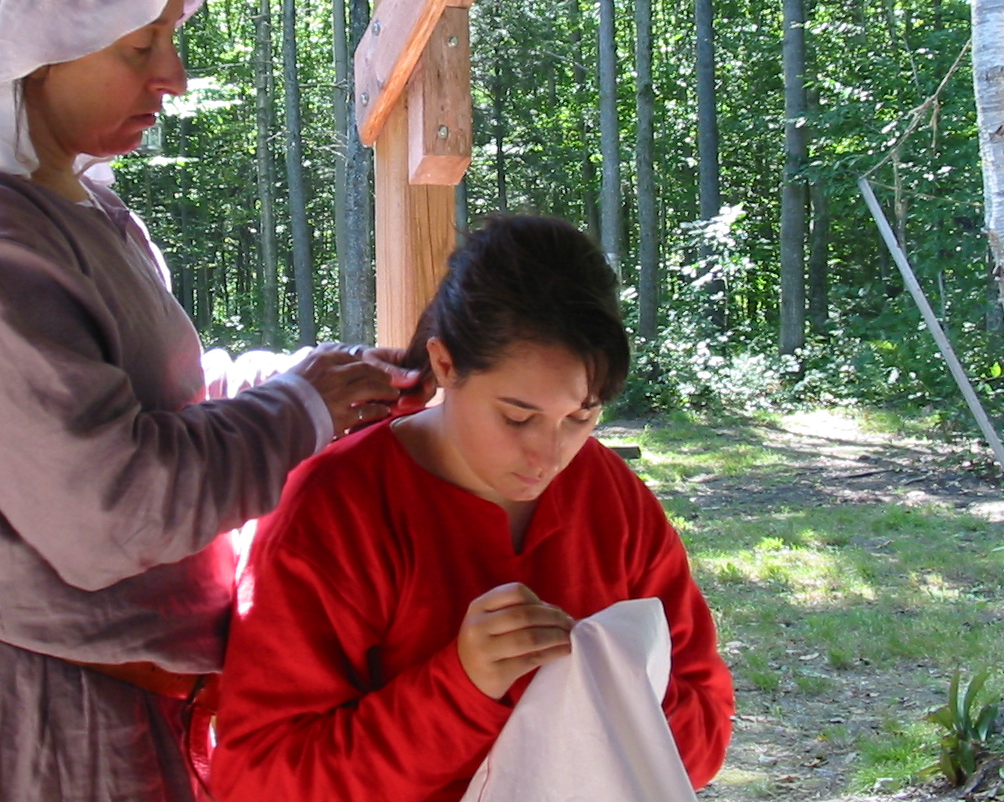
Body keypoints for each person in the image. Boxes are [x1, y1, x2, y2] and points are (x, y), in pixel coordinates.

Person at [0, 0, 415, 802]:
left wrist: (309, 379)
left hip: (117, 702)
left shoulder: (86, 206)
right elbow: (110, 508)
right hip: (24, 719)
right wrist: (302, 411)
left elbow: (161, 403)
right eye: (138, 49)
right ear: (36, 53)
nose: (173, 76)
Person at [210, 214, 735, 802]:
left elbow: (707, 734)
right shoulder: (336, 511)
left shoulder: (608, 494)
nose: (550, 454)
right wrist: (462, 688)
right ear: (445, 365)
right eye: (517, 416)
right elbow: (259, 780)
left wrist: (613, 678)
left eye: (582, 416)